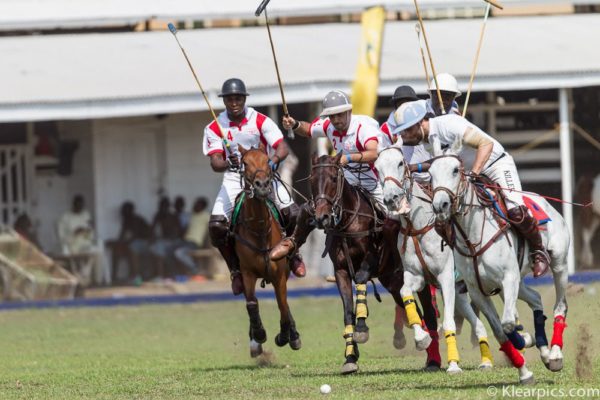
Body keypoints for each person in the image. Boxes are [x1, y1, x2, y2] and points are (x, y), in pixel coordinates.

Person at [394, 100, 550, 277]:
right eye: (402, 132)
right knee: (442, 221)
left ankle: (539, 252)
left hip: (496, 165)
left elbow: (485, 144)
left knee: (515, 211)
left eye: (407, 130)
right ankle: (463, 264)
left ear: (420, 121)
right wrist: (415, 168)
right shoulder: (426, 141)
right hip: (467, 173)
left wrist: (474, 173)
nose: (404, 136)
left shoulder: (449, 125)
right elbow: (440, 162)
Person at [204, 78, 306, 296]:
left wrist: (271, 162)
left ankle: (294, 254)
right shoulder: (215, 126)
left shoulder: (260, 120)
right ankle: (235, 270)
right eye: (230, 99)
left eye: (238, 98)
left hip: (264, 176)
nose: (234, 102)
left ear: (244, 99)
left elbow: (282, 147)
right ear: (224, 101)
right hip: (234, 178)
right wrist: (227, 162)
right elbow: (215, 162)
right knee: (216, 226)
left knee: (294, 214)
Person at [270, 90, 384, 262]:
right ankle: (293, 242)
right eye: (331, 116)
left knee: (392, 216)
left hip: (372, 180)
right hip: (345, 180)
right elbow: (308, 130)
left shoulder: (363, 127)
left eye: (339, 115)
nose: (336, 120)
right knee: (312, 207)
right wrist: (294, 124)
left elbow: (373, 153)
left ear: (348, 112)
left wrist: (349, 157)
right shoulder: (329, 125)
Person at [57, 195, 109, 286]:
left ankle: (98, 280)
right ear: (73, 204)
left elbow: (90, 231)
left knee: (98, 252)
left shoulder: (85, 214)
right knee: (91, 253)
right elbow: (61, 237)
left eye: (82, 205)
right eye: (78, 205)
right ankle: (85, 275)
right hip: (72, 245)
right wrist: (74, 233)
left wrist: (88, 230)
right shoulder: (65, 217)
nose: (80, 208)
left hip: (86, 243)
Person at [115, 201, 153, 285]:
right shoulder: (126, 220)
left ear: (131, 211)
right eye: (123, 211)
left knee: (132, 247)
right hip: (138, 242)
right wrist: (118, 242)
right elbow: (122, 234)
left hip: (146, 242)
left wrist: (124, 242)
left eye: (125, 211)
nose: (123, 213)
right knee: (123, 248)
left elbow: (135, 236)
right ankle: (128, 275)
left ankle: (136, 276)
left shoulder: (136, 219)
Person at [174, 197, 210, 279]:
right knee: (168, 250)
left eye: (197, 204)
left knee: (179, 253)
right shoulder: (192, 215)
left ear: (202, 206)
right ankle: (175, 273)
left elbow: (211, 229)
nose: (194, 205)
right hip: (185, 241)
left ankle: (195, 269)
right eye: (195, 203)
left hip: (194, 243)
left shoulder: (206, 216)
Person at [149, 197, 181, 280]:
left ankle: (164, 274)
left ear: (168, 207)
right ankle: (161, 274)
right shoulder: (158, 216)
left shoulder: (173, 216)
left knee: (161, 250)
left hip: (175, 241)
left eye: (165, 206)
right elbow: (152, 229)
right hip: (163, 241)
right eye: (161, 206)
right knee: (155, 249)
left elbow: (178, 232)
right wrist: (153, 238)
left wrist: (170, 239)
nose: (163, 208)